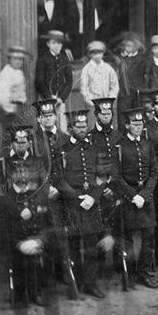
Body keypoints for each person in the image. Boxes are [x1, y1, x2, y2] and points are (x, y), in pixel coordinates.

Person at [0, 118, 69, 315]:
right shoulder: (2, 165)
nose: (20, 145)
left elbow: (43, 191)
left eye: (24, 141)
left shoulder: (39, 163)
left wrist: (33, 209)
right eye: (16, 142)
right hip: (15, 226)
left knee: (46, 276)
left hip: (38, 224)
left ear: (29, 141)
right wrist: (19, 211)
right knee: (18, 275)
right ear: (12, 143)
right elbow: (1, 194)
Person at [54, 109, 114, 299]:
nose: (82, 130)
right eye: (77, 127)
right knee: (73, 246)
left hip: (91, 203)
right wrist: (76, 197)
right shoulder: (61, 150)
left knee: (91, 246)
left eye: (83, 126)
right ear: (70, 128)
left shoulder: (94, 149)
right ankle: (75, 284)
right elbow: (58, 179)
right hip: (72, 205)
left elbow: (102, 176)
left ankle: (90, 284)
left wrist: (93, 197)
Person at [111, 107, 158, 288]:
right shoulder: (120, 148)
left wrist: (145, 194)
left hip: (146, 198)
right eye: (134, 124)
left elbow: (155, 171)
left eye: (140, 124)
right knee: (128, 238)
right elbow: (115, 177)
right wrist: (134, 196)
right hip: (128, 199)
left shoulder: (148, 145)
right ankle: (129, 273)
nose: (138, 127)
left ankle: (144, 273)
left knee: (149, 237)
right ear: (127, 125)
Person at [0, 46, 30, 133]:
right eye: (15, 59)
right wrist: (9, 109)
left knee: (18, 133)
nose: (18, 62)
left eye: (20, 59)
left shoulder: (18, 72)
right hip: (9, 111)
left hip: (18, 109)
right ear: (10, 59)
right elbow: (1, 95)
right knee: (9, 134)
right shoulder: (6, 74)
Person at [79, 42, 119, 116]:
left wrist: (111, 98)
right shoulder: (87, 69)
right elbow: (84, 87)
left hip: (107, 103)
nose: (97, 56)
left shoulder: (108, 68)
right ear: (90, 55)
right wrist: (90, 101)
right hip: (93, 103)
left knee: (107, 122)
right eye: (94, 53)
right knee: (94, 124)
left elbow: (114, 84)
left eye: (99, 53)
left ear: (103, 54)